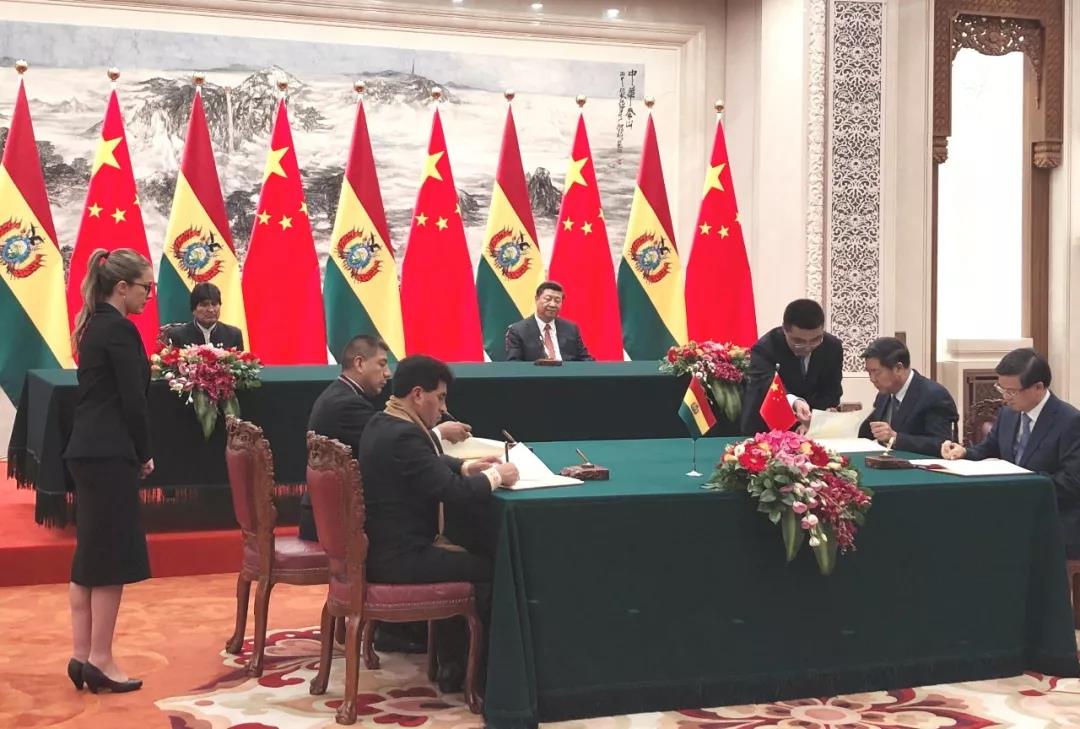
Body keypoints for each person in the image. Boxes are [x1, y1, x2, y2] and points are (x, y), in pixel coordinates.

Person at [358, 355, 519, 693]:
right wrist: (496, 476)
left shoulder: (382, 421)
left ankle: (451, 665)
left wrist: (466, 467)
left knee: (464, 553)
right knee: (492, 567)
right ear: (418, 394)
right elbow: (452, 492)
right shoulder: (404, 435)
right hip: (400, 558)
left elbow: (425, 463)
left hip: (382, 548)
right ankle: (480, 678)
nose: (444, 409)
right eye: (441, 398)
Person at [63, 248, 156, 694]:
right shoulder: (119, 330)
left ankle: (82, 655)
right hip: (109, 452)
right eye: (145, 288)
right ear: (122, 287)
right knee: (111, 558)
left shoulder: (92, 325)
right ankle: (100, 658)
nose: (148, 297)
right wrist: (144, 452)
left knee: (89, 555)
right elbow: (133, 400)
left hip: (87, 450)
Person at [298, 335, 472, 542]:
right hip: (335, 521)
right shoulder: (346, 405)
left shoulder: (340, 395)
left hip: (328, 514)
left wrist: (462, 466)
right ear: (359, 363)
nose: (388, 373)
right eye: (381, 364)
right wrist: (438, 433)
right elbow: (393, 444)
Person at [941, 348, 1080, 556]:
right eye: (1001, 389)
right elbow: (989, 449)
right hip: (1012, 508)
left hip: (1051, 517)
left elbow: (1071, 482)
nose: (1005, 398)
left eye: (1012, 392)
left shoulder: (1069, 421)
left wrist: (1023, 483)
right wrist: (964, 453)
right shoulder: (1008, 414)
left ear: (1038, 387)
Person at [741, 298, 843, 433]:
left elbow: (832, 391)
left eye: (815, 340)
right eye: (798, 341)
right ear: (785, 330)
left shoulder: (832, 347)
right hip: (767, 427)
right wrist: (795, 402)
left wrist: (812, 422)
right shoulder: (765, 347)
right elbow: (766, 384)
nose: (807, 347)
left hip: (811, 428)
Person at [857, 337, 957, 455]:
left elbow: (943, 444)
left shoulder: (934, 395)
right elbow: (869, 433)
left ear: (898, 368)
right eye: (869, 372)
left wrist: (896, 438)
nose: (872, 379)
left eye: (876, 372)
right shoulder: (883, 396)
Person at [504, 280, 593, 362]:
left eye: (557, 301)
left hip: (568, 373)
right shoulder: (518, 330)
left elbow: (586, 360)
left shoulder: (571, 329)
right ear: (536, 299)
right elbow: (514, 364)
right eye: (548, 299)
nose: (553, 304)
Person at [165, 282, 244, 349]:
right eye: (204, 305)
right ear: (194, 310)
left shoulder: (234, 335)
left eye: (214, 304)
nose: (211, 310)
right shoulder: (177, 335)